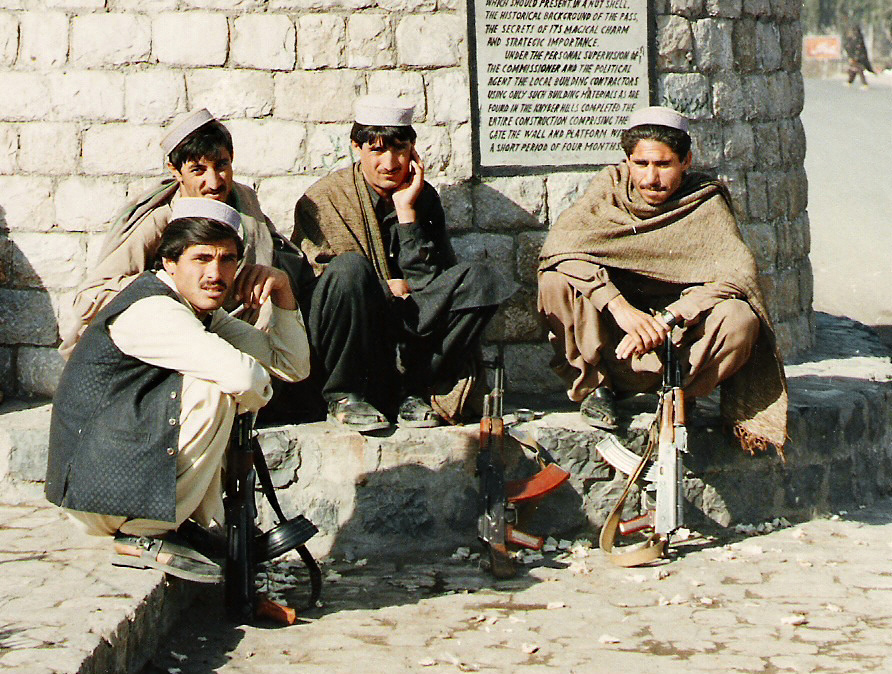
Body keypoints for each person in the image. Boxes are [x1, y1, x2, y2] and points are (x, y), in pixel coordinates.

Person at [45, 199, 311, 582]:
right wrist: (242, 409)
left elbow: (291, 366)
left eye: (227, 260)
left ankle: (173, 522)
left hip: (119, 471)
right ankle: (142, 533)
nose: (215, 273)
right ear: (170, 262)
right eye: (201, 259)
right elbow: (246, 380)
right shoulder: (153, 309)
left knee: (222, 384)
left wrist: (283, 291)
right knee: (214, 389)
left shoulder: (201, 312)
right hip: (95, 489)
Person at [537, 106, 787, 453]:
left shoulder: (704, 200)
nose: (651, 179)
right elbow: (561, 249)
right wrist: (619, 307)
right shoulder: (609, 190)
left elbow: (735, 276)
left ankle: (682, 394)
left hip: (677, 348)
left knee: (740, 318)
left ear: (686, 162)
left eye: (664, 165)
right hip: (616, 346)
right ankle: (596, 391)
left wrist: (668, 319)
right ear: (627, 162)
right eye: (641, 164)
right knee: (556, 280)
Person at [291, 95, 515, 432]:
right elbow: (319, 286)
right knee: (351, 268)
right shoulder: (323, 199)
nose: (391, 163)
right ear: (357, 147)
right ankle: (344, 395)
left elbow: (433, 283)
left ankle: (416, 390)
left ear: (413, 150)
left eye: (400, 149)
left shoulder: (423, 197)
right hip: (360, 333)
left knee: (479, 279)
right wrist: (383, 288)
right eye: (378, 151)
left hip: (413, 333)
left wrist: (407, 214)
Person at [59, 108, 311, 359]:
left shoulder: (244, 203)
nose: (214, 183)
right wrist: (173, 291)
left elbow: (276, 256)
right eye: (198, 170)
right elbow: (92, 296)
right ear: (175, 171)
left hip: (242, 331)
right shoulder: (162, 220)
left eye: (222, 165)